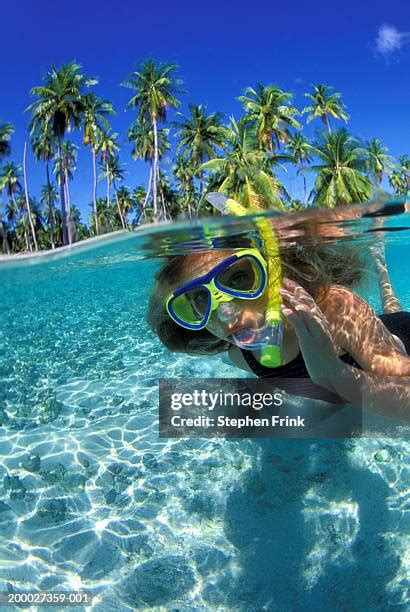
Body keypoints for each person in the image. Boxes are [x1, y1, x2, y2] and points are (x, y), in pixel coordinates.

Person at [147, 237, 410, 419]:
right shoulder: (240, 356)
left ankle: (382, 270)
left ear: (272, 272)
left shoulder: (332, 309)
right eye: (200, 299)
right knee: (390, 306)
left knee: (392, 312)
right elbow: (272, 377)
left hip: (403, 337)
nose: (225, 312)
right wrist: (251, 407)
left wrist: (333, 371)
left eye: (238, 278)